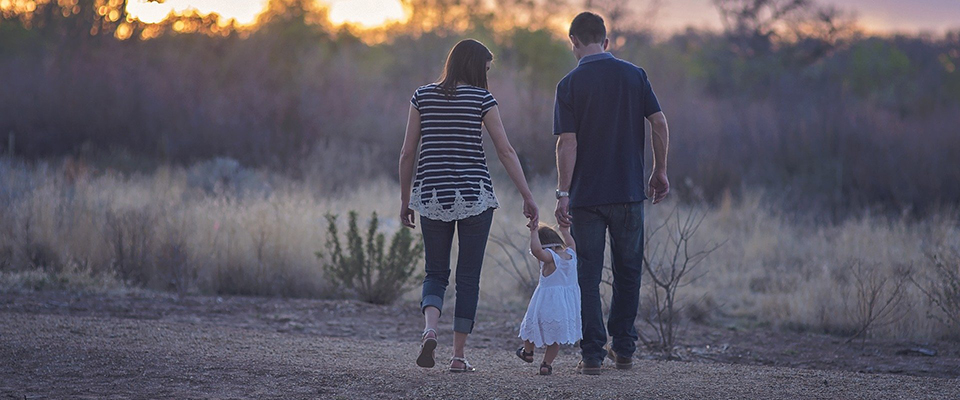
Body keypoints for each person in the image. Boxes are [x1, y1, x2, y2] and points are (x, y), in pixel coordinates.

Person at [399, 39, 539, 373]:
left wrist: (406, 200)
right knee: (468, 278)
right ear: (476, 67)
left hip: (431, 195)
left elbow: (407, 153)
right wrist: (527, 195)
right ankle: (458, 356)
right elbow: (505, 151)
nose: (487, 75)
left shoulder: (422, 96)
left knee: (435, 272)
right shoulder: (482, 99)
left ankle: (430, 329)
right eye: (486, 69)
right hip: (475, 196)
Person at [553, 12, 671, 375]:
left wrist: (562, 192)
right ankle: (624, 349)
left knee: (587, 275)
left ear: (573, 41)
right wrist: (659, 170)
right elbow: (659, 122)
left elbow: (566, 143)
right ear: (606, 41)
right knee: (628, 271)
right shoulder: (635, 75)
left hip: (587, 197)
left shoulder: (569, 84)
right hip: (630, 192)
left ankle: (591, 355)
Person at [515, 223, 581, 376]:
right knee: (555, 338)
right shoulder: (571, 254)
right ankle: (546, 365)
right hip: (564, 307)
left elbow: (538, 251)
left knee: (530, 327)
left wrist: (533, 233)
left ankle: (528, 352)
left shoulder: (550, 258)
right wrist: (565, 230)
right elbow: (571, 242)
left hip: (546, 303)